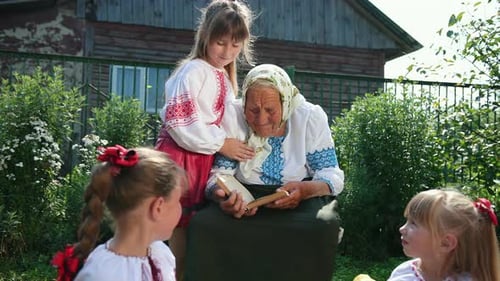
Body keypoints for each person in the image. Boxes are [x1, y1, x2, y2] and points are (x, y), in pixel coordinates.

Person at [185, 64, 345, 281]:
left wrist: (306, 191)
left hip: (297, 197)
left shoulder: (308, 117)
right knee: (204, 224)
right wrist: (223, 196)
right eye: (253, 109)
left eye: (270, 110)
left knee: (322, 225)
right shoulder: (233, 114)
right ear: (244, 105)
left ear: (285, 103)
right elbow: (219, 174)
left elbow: (330, 174)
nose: (261, 119)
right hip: (244, 196)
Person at [154, 1, 256, 279]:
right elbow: (179, 122)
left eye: (235, 46)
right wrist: (223, 143)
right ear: (205, 37)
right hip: (180, 157)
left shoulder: (221, 74)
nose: (227, 52)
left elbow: (226, 117)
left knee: (187, 229)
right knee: (173, 226)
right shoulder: (194, 70)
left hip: (200, 158)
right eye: (220, 43)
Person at [51, 145, 184, 281]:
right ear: (158, 207)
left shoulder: (161, 254)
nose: (181, 208)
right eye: (178, 201)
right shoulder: (103, 274)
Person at [387, 188, 500, 281]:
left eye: (413, 223)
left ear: (446, 243)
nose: (402, 229)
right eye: (407, 220)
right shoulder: (402, 273)